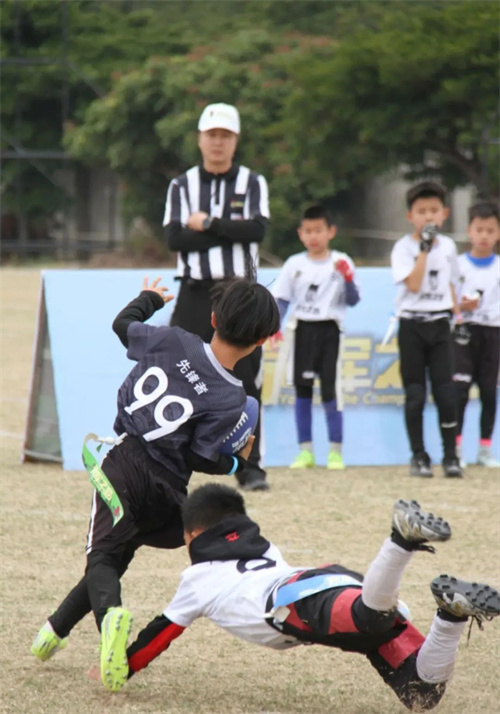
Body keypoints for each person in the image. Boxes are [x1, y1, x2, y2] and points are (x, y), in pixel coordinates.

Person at [31, 275, 280, 692]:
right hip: (168, 488)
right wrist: (238, 460)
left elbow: (121, 325)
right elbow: (202, 458)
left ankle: (110, 617)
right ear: (260, 342)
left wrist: (148, 299)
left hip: (124, 464)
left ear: (213, 317)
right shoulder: (233, 399)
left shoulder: (175, 340)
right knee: (118, 555)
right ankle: (53, 633)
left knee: (102, 557)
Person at [105, 484, 499, 711]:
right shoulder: (263, 547)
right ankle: (451, 615)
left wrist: (123, 667)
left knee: (371, 617)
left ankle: (401, 540)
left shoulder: (197, 579)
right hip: (327, 587)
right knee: (421, 694)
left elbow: (159, 634)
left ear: (192, 535)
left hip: (297, 601)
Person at [163, 102, 271, 492]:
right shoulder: (181, 185)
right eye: (212, 135)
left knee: (245, 379)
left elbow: (256, 230)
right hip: (194, 292)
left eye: (225, 135)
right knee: (179, 373)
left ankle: (250, 466)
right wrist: (229, 230)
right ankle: (171, 459)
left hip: (239, 294)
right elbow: (176, 238)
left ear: (235, 140)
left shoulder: (253, 182)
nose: (218, 142)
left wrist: (207, 223)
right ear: (200, 139)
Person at [271, 205, 360, 470]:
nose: (313, 236)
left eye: (319, 230)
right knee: (303, 390)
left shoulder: (341, 261)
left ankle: (335, 452)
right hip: (302, 331)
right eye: (308, 231)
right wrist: (274, 326)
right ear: (300, 234)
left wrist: (347, 278)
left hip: (331, 331)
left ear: (330, 231)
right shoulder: (294, 264)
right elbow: (282, 300)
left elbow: (353, 300)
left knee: (331, 391)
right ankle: (306, 452)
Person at [391, 181, 462, 478]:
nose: (428, 217)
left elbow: (452, 284)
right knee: (416, 394)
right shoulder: (402, 248)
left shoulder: (449, 247)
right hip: (412, 325)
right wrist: (424, 249)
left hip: (440, 325)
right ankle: (419, 455)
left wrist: (459, 315)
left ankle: (451, 456)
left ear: (444, 214)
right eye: (421, 211)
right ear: (410, 216)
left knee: (446, 393)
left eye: (434, 210)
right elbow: (413, 284)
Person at [453, 201, 500, 468]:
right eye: (479, 229)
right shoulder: (458, 266)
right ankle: (456, 448)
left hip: (493, 333)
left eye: (490, 230)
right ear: (469, 231)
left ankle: (484, 449)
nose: (484, 236)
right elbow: (447, 301)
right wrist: (461, 306)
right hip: (464, 332)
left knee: (489, 392)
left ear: (498, 233)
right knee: (460, 391)